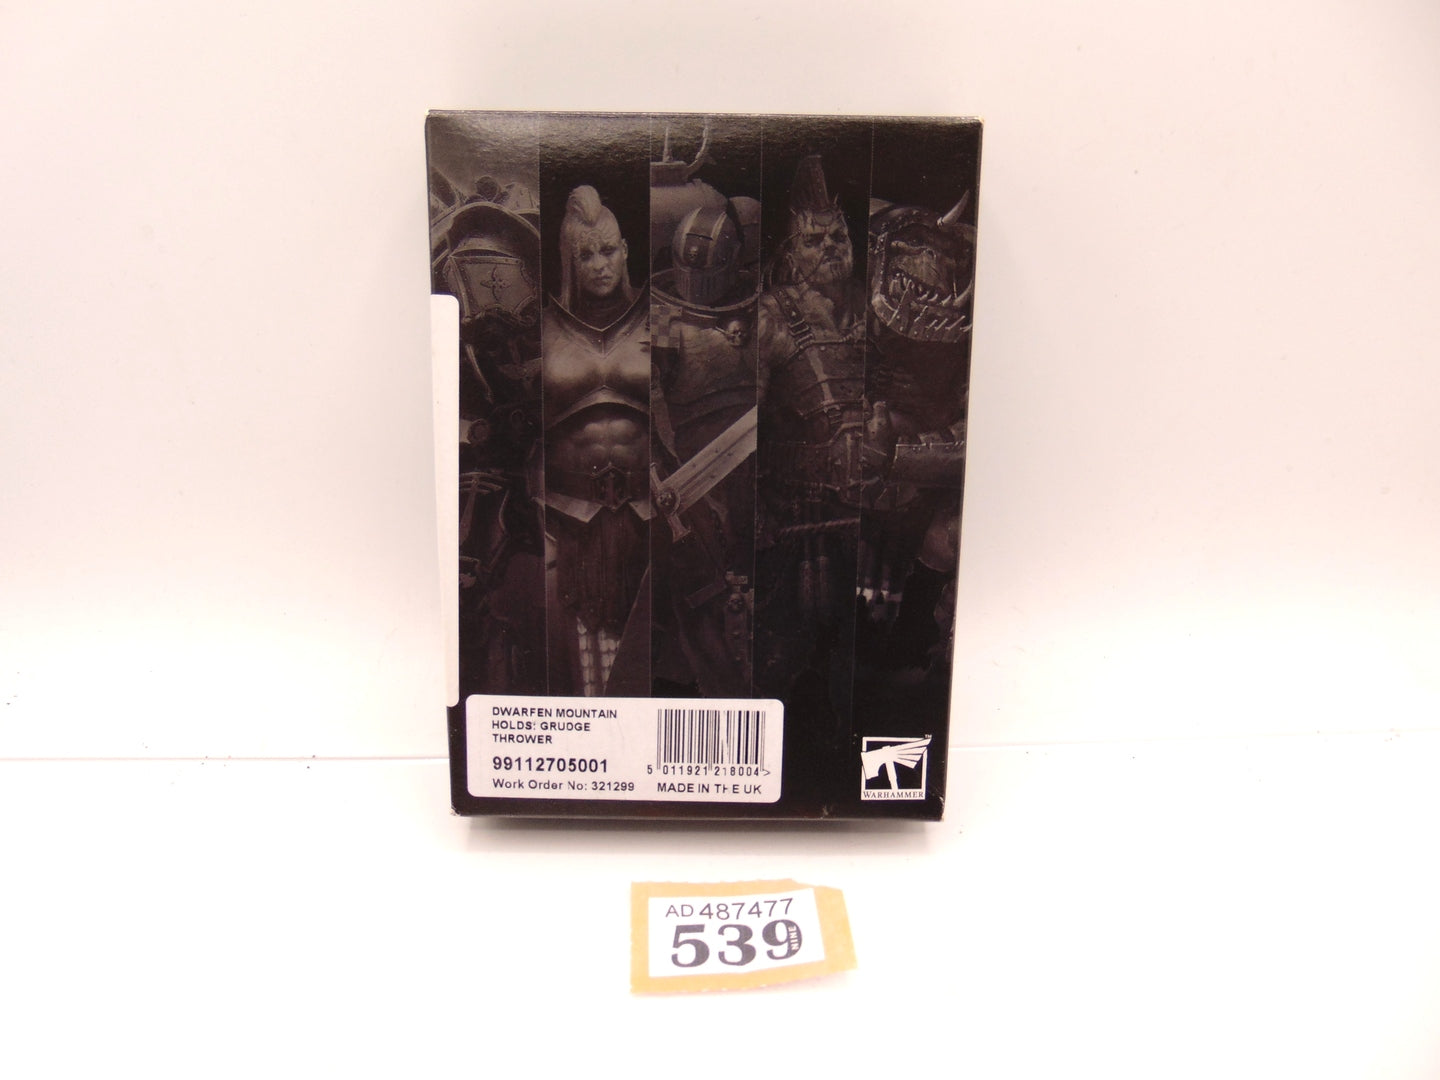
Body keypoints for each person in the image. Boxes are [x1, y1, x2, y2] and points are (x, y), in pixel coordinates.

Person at [539, 185, 651, 696]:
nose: (601, 265)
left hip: (649, 513)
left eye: (608, 250)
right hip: (569, 518)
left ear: (625, 250)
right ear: (569, 261)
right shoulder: (543, 328)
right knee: (585, 667)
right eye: (586, 256)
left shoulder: (658, 316)